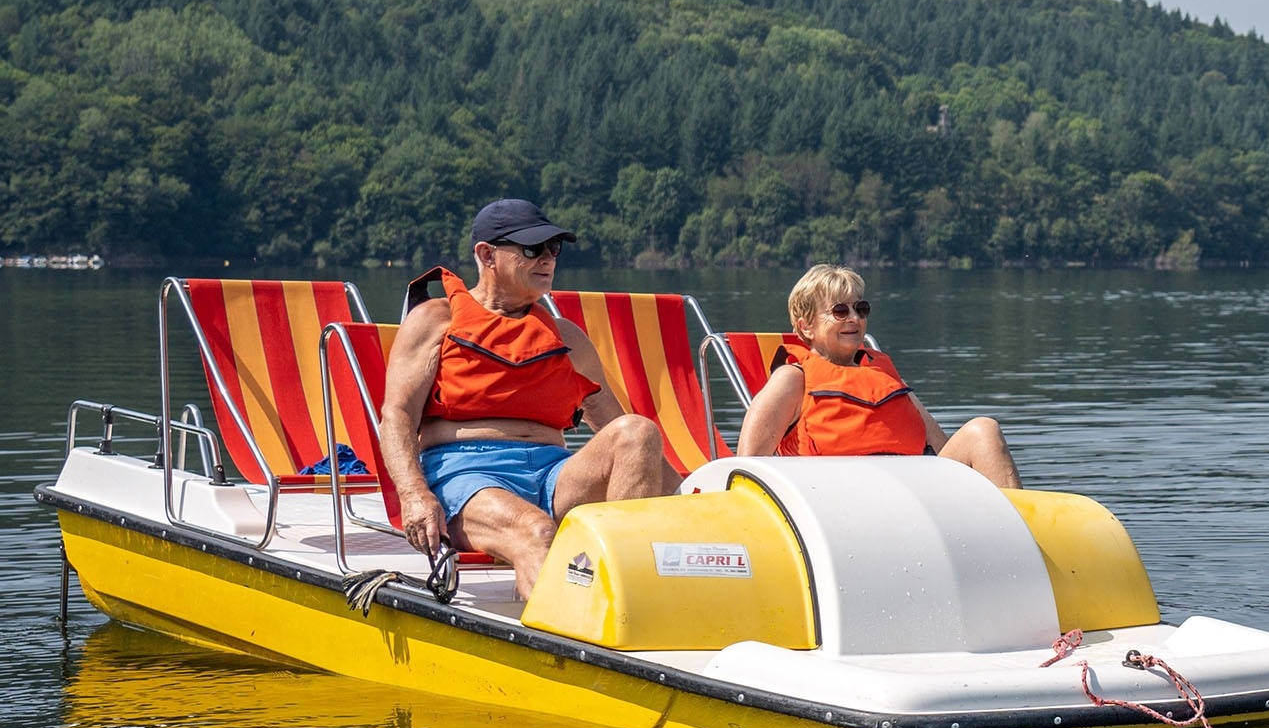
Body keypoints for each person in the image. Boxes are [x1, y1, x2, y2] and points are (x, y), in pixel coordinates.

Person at [376, 199, 673, 600]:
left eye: (554, 249)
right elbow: (396, 415)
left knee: (637, 432)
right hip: (467, 477)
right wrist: (413, 495)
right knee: (537, 533)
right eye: (532, 249)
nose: (548, 259)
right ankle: (565, 645)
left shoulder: (565, 337)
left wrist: (695, 495)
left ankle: (630, 595)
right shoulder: (435, 320)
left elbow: (617, 430)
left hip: (554, 476)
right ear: (486, 255)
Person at [737, 265, 1022, 489]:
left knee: (983, 430)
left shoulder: (880, 374)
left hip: (910, 492)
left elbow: (942, 449)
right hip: (833, 501)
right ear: (806, 326)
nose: (854, 318)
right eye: (840, 311)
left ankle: (1025, 535)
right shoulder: (792, 378)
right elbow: (747, 462)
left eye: (860, 309)